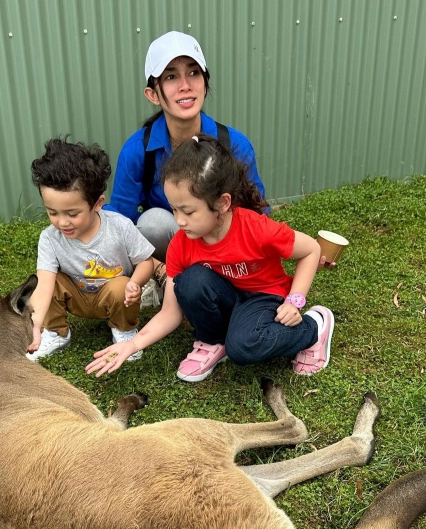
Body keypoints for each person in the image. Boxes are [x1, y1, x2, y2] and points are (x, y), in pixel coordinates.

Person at [86, 135, 334, 381]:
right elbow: (171, 312)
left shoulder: (257, 229)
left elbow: (311, 249)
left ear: (223, 203)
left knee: (244, 347)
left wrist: (295, 301)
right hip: (226, 296)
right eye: (174, 209)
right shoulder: (181, 245)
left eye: (189, 211)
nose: (179, 220)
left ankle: (315, 327)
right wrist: (132, 344)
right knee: (190, 281)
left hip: (264, 297)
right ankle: (213, 341)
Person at [105, 30, 267, 300]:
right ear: (153, 94)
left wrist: (295, 250)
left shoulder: (234, 145)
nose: (185, 85)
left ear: (205, 82)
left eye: (193, 73)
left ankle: (215, 285)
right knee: (153, 223)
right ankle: (164, 279)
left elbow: (257, 215)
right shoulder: (137, 150)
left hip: (222, 245)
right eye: (170, 77)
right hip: (171, 244)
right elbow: (120, 223)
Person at [26, 137, 155, 362]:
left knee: (121, 285)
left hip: (114, 296)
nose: (62, 222)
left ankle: (124, 331)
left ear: (97, 203)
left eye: (72, 214)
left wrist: (136, 282)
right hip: (76, 295)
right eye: (52, 213)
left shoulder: (120, 226)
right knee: (49, 280)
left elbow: (146, 261)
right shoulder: (49, 238)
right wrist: (34, 324)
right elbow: (44, 285)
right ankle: (55, 332)